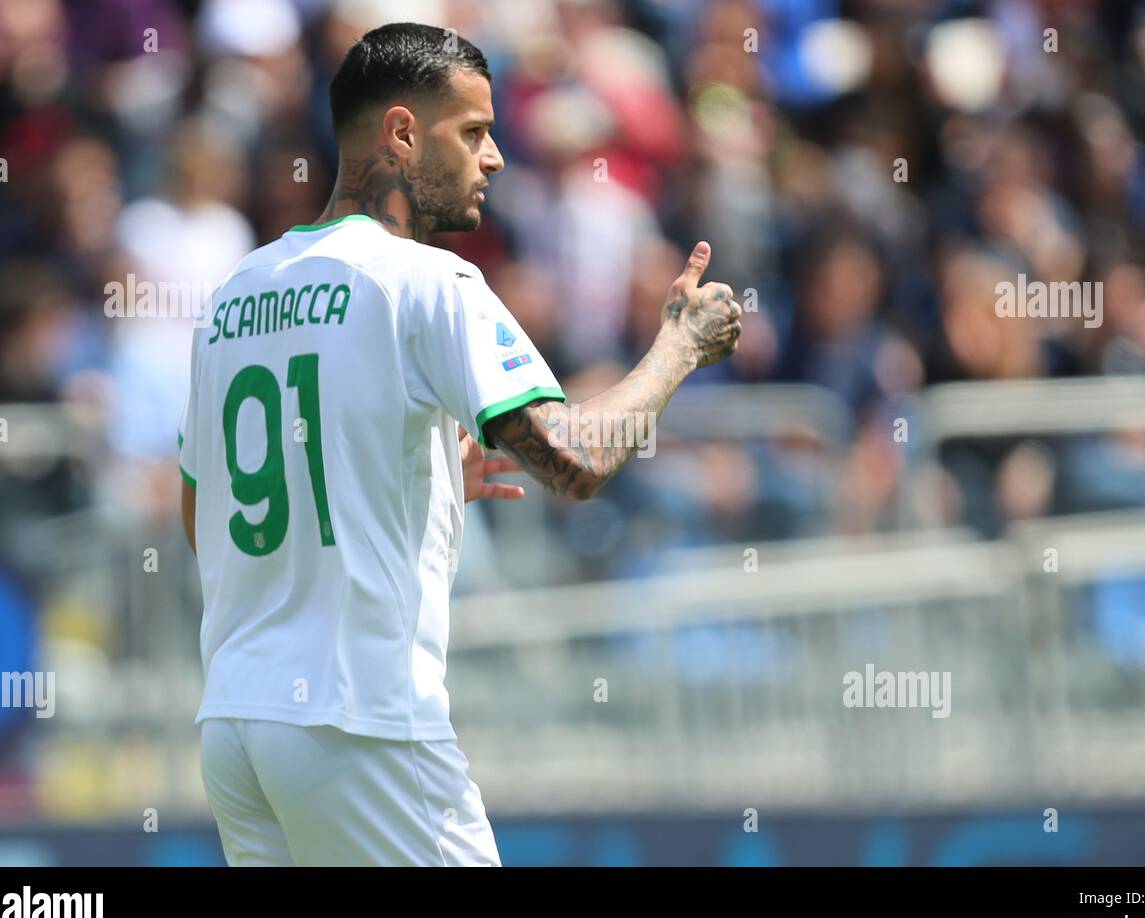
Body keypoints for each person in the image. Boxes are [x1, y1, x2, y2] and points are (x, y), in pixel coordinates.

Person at [179, 22, 742, 866]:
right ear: (402, 133)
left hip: (236, 727)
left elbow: (203, 515)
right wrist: (679, 348)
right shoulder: (429, 281)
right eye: (474, 132)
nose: (496, 157)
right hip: (358, 718)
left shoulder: (234, 292)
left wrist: (399, 474)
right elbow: (577, 460)